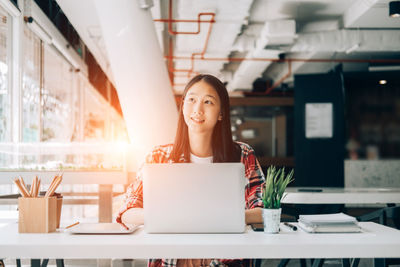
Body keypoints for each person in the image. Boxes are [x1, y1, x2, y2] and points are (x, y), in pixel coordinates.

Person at [116, 74, 265, 267]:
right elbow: (127, 211)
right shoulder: (159, 156)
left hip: (225, 259)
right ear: (183, 106)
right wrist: (171, 217)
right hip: (171, 259)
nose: (198, 109)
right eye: (192, 100)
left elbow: (265, 210)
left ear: (221, 113)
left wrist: (222, 218)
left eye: (208, 102)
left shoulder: (243, 154)